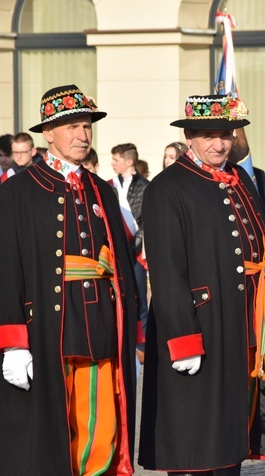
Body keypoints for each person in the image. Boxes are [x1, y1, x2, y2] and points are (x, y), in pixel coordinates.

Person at [0, 84, 139, 474]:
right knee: (50, 435)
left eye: (86, 125)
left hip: (102, 323)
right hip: (47, 328)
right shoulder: (16, 192)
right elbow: (5, 273)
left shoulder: (102, 190)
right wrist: (13, 343)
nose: (82, 135)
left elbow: (121, 265)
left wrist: (134, 326)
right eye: (71, 126)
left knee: (101, 430)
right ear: (48, 133)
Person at [139, 93, 265, 474]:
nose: (219, 144)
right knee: (195, 434)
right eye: (208, 135)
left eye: (225, 134)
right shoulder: (167, 186)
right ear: (189, 137)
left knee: (230, 433)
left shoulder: (240, 178)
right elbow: (168, 271)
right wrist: (183, 339)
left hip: (243, 325)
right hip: (201, 325)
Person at [110, 143, 149, 368]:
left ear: (129, 162)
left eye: (116, 160)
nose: (112, 163)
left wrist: (135, 245)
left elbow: (145, 222)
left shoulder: (145, 187)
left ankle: (141, 345)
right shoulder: (110, 186)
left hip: (136, 252)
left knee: (140, 298)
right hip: (118, 251)